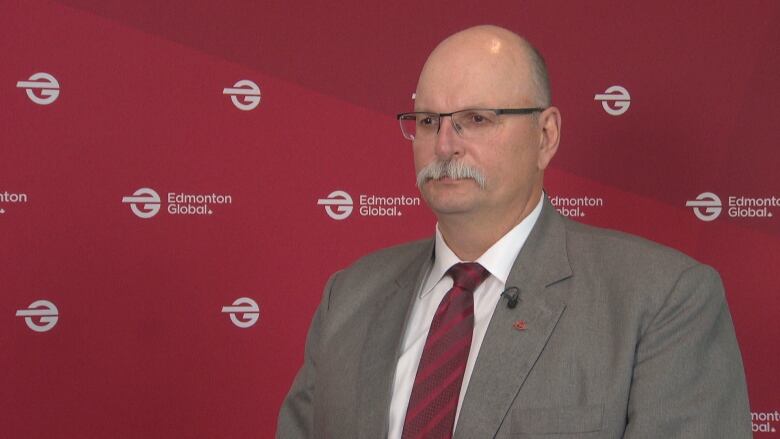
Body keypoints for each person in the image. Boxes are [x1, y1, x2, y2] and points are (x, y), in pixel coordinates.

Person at [277, 25, 751, 438]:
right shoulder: (351, 296)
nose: (444, 145)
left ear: (545, 136)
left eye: (476, 120)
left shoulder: (662, 300)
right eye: (427, 121)